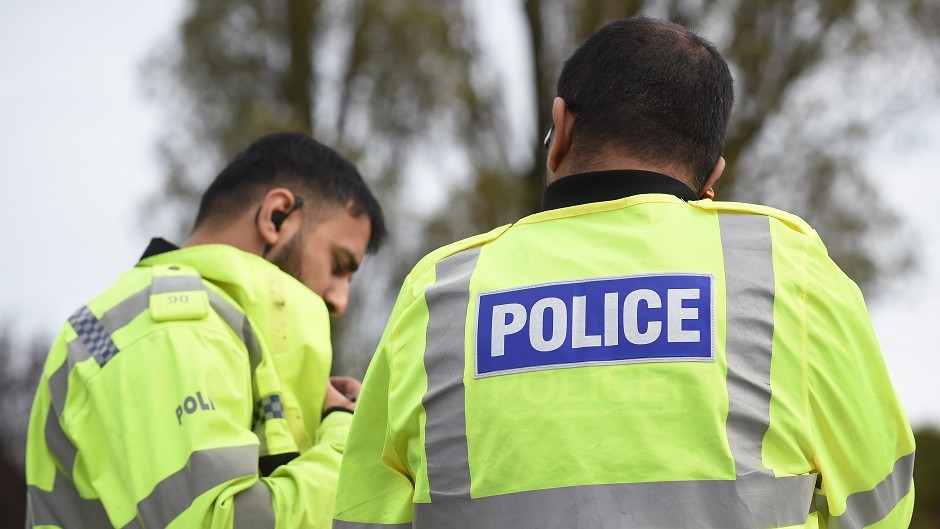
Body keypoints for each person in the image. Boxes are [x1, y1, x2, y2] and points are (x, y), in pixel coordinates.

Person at [332, 17, 915, 528]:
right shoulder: (788, 269)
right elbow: (879, 505)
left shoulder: (440, 292)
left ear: (560, 129)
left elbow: (365, 515)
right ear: (711, 177)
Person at [25, 132, 386, 528]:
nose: (340, 301)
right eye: (338, 265)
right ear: (276, 216)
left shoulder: (191, 330)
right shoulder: (172, 326)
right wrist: (343, 439)